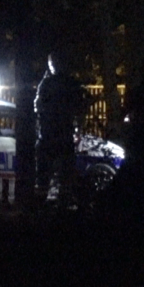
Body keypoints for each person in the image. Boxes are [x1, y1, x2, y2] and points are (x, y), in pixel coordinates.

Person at [34, 52, 86, 206]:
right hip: (64, 135)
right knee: (65, 176)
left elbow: (37, 106)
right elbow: (81, 108)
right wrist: (78, 128)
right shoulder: (71, 83)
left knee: (44, 176)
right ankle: (62, 205)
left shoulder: (47, 83)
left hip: (48, 135)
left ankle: (41, 206)